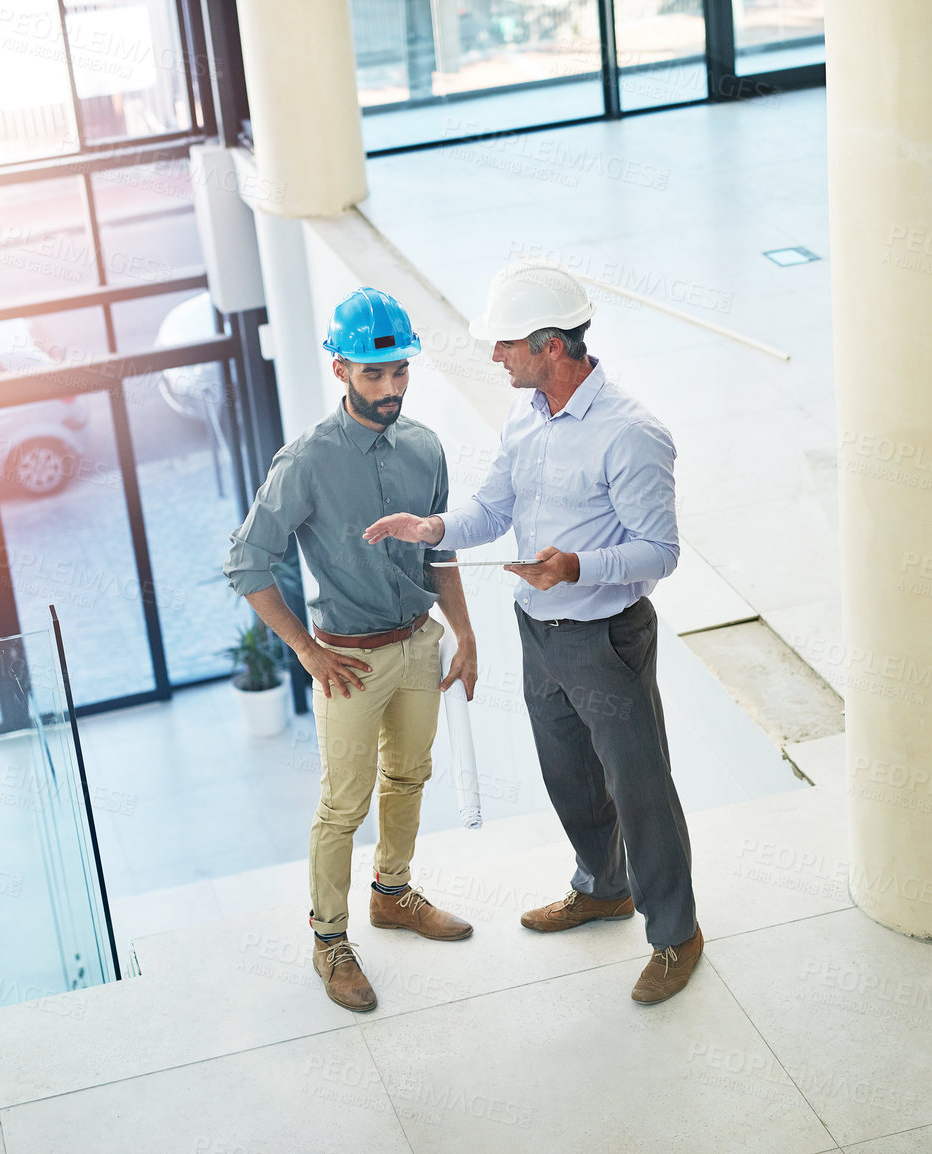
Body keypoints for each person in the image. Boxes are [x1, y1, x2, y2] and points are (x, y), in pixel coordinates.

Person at [363, 260, 700, 1004]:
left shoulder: (631, 434)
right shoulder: (528, 417)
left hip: (604, 635)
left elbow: (661, 552)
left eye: (506, 343)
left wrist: (575, 566)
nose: (494, 355)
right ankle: (602, 887)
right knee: (568, 776)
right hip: (537, 629)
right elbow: (494, 506)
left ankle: (674, 935)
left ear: (552, 346)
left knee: (637, 786)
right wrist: (433, 528)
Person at [224, 286, 479, 1013]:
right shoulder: (306, 461)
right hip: (348, 662)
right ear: (340, 369)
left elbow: (442, 549)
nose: (390, 387)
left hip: (418, 645)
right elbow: (247, 561)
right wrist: (305, 651)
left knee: (410, 777)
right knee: (343, 807)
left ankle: (392, 894)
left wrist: (463, 633)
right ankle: (328, 939)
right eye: (374, 374)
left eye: (399, 371)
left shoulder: (424, 446)